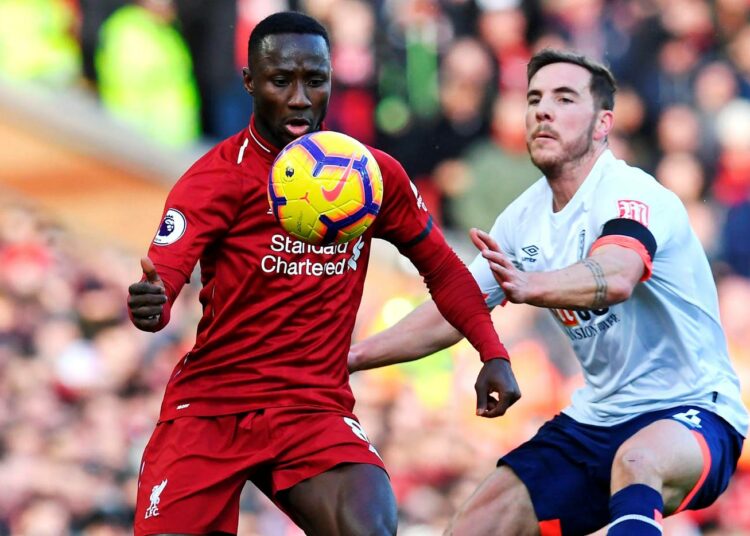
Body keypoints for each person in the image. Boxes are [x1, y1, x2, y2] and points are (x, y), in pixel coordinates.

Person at [126, 11, 520, 536]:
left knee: (369, 528)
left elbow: (444, 270)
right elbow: (165, 275)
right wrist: (152, 304)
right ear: (248, 82)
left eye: (314, 81)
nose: (298, 98)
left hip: (311, 405)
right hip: (213, 407)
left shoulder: (371, 176)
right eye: (279, 80)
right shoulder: (216, 178)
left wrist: (492, 351)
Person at [348, 49, 749, 535]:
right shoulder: (522, 220)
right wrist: (350, 357)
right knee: (476, 524)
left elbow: (618, 273)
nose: (543, 109)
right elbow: (451, 312)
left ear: (603, 124)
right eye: (534, 98)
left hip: (695, 409)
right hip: (597, 418)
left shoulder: (632, 193)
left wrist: (530, 285)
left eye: (564, 98)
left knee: (638, 460)